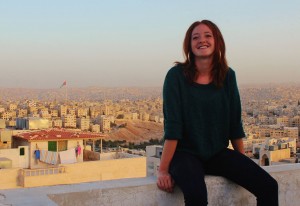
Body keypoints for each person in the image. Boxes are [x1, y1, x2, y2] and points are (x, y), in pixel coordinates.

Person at [157, 20, 278, 206]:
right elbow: (173, 127)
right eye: (195, 37)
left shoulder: (228, 76)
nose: (201, 40)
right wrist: (163, 170)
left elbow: (234, 123)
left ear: (217, 41)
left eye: (207, 36)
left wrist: (242, 161)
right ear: (189, 45)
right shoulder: (176, 76)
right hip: (184, 154)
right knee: (197, 197)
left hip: (216, 153)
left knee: (269, 186)